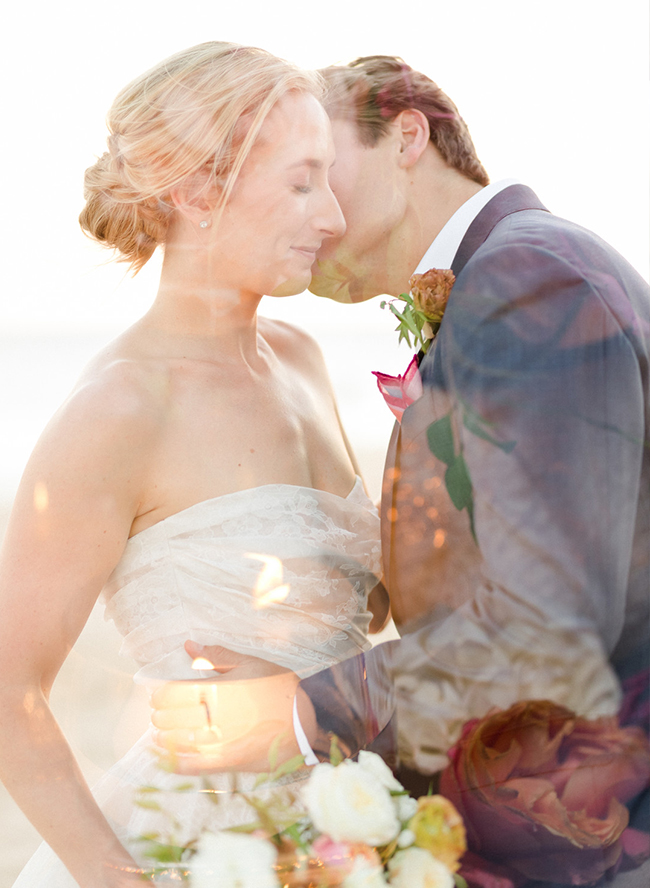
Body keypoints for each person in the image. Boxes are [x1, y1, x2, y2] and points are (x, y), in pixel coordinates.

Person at [157, 55, 649, 813]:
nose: (307, 210)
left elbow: (548, 630)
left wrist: (302, 712)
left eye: (322, 167)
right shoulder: (512, 271)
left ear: (407, 137)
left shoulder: (526, 281)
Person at [0, 42, 391, 888]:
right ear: (195, 192)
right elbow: (8, 688)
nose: (331, 216)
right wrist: (112, 874)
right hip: (199, 851)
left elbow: (369, 607)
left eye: (329, 179)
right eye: (299, 182)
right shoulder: (122, 408)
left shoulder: (300, 355)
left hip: (348, 826)